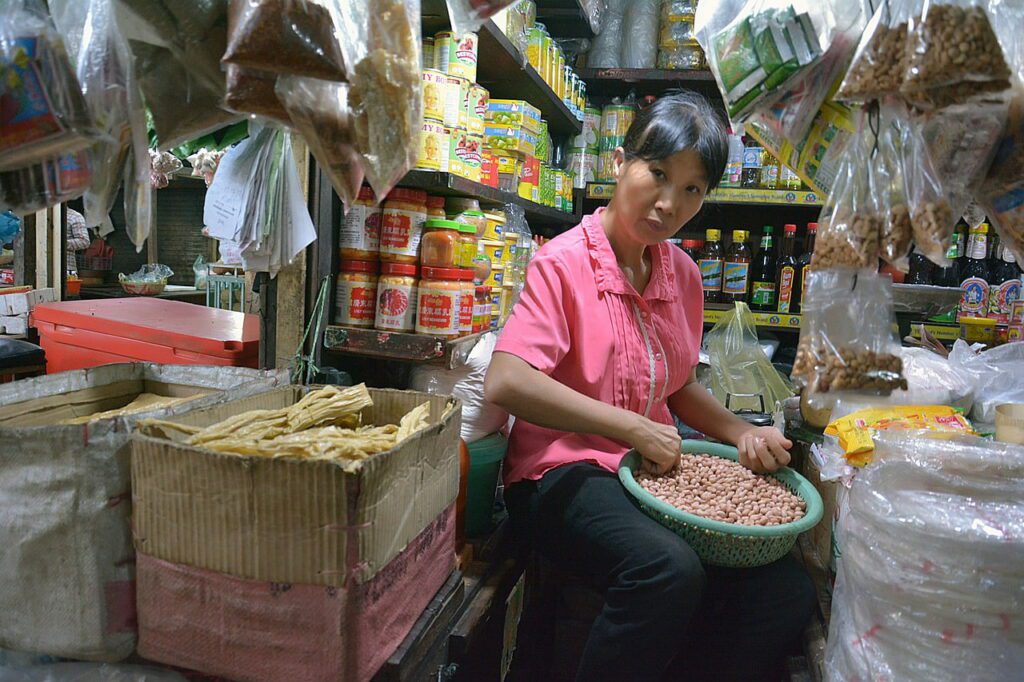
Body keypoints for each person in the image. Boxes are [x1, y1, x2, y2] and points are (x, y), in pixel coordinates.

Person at [484, 92, 815, 682]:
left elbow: (679, 382)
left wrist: (742, 432)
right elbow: (507, 380)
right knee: (666, 569)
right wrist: (632, 425)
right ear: (619, 164)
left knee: (785, 589)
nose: (669, 203)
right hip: (559, 473)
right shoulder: (563, 264)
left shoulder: (681, 274)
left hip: (648, 470)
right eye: (658, 174)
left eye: (692, 189)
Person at [66, 207, 91, 276]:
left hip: (67, 270)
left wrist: (61, 243)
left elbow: (84, 241)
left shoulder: (74, 216)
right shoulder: (40, 215)